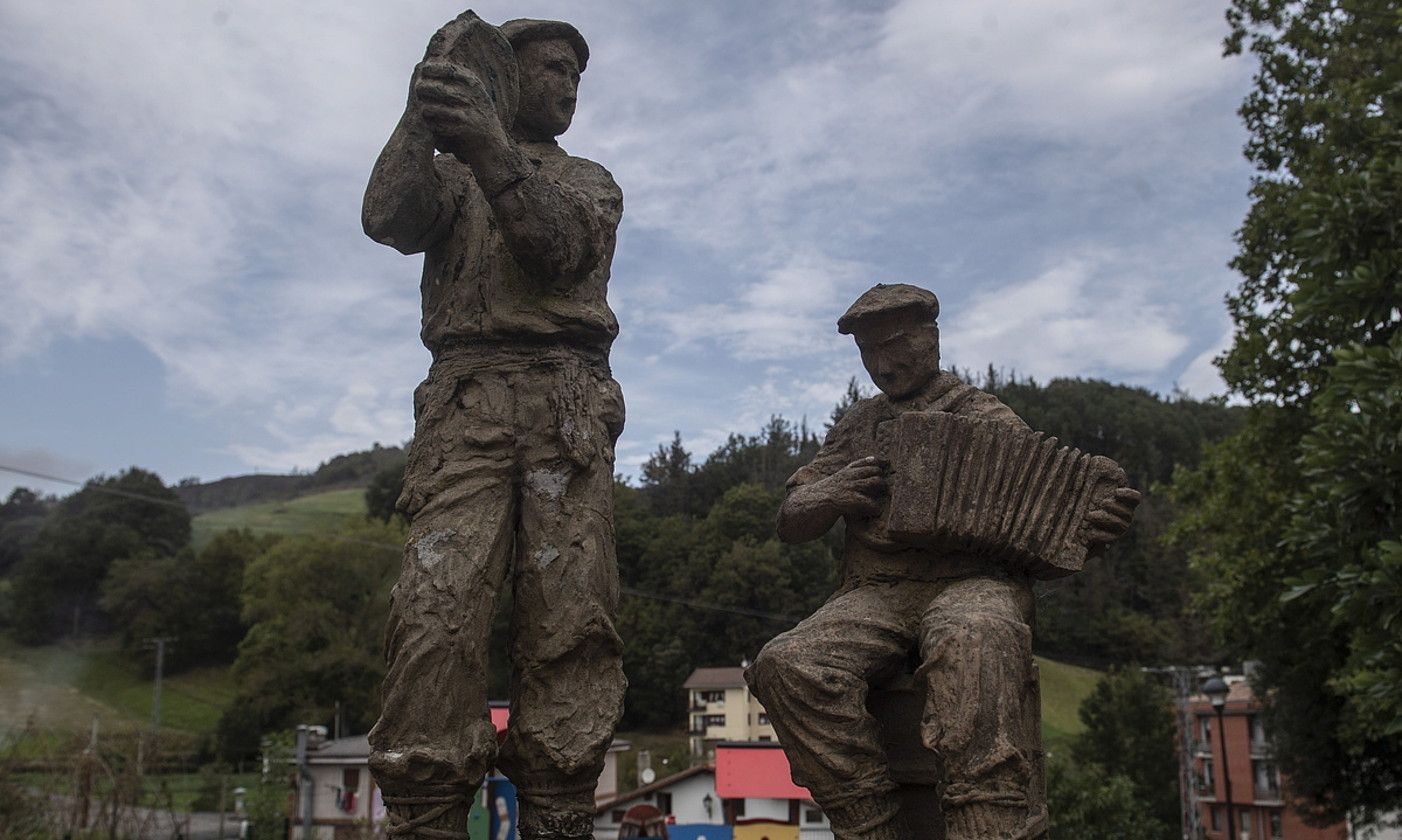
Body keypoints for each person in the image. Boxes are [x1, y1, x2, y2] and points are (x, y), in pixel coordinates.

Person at [360, 15, 625, 840]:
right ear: (505, 78)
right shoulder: (448, 175)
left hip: (566, 403)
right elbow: (387, 220)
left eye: (577, 73)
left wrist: (488, 149)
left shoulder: (588, 179)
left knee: (570, 620)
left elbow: (558, 252)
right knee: (434, 614)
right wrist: (421, 109)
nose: (570, 84)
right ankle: (424, 807)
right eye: (552, 68)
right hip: (465, 402)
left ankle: (561, 810)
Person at [746, 284, 1137, 840]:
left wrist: (1088, 534)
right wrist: (828, 494)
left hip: (974, 584)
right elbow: (792, 519)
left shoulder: (985, 417)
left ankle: (987, 820)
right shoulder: (859, 426)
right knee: (786, 664)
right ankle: (869, 821)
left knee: (974, 636)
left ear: (930, 339)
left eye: (896, 345)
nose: (884, 363)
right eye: (869, 352)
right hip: (875, 592)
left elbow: (1044, 546)